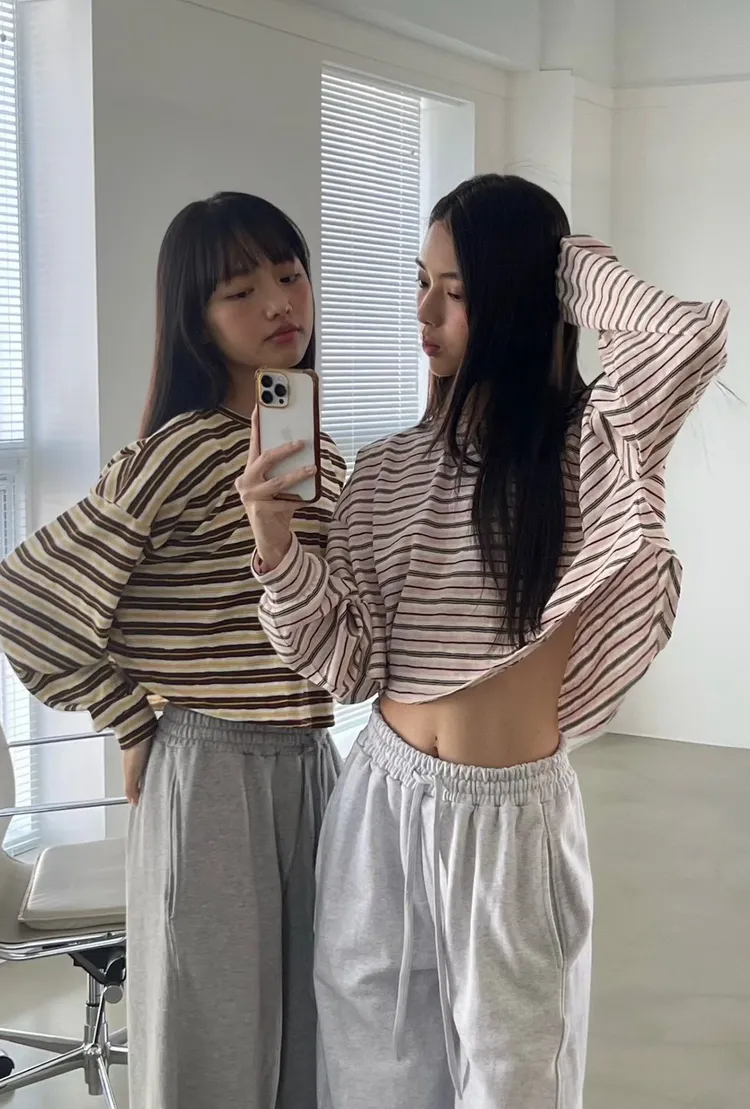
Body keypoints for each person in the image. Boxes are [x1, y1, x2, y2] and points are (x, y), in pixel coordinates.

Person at [237, 174, 729, 1109]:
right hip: (381, 804)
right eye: (421, 282)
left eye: (457, 290)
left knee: (516, 1085)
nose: (424, 312)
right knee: (372, 1076)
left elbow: (684, 338)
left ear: (519, 297)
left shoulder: (586, 452)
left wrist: (563, 263)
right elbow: (344, 665)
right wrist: (276, 545)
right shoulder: (384, 470)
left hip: (509, 823)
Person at [0, 192, 346, 1109]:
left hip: (314, 763)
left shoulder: (319, 456)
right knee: (211, 1039)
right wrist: (129, 715)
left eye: (289, 274)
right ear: (197, 320)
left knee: (321, 1028)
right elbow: (25, 600)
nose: (279, 303)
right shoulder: (180, 452)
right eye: (240, 290)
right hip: (211, 768)